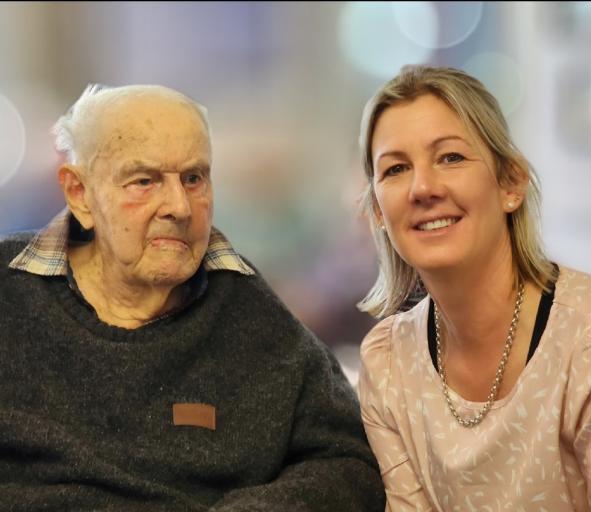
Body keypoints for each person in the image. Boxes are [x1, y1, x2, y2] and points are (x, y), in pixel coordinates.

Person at [0, 83, 385, 511]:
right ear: (79, 193)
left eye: (193, 178)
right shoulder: (9, 289)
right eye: (144, 181)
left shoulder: (243, 305)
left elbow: (347, 460)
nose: (179, 207)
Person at [356, 65, 591, 511]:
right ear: (379, 214)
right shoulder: (387, 363)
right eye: (396, 169)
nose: (423, 188)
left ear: (511, 183)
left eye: (451, 158)